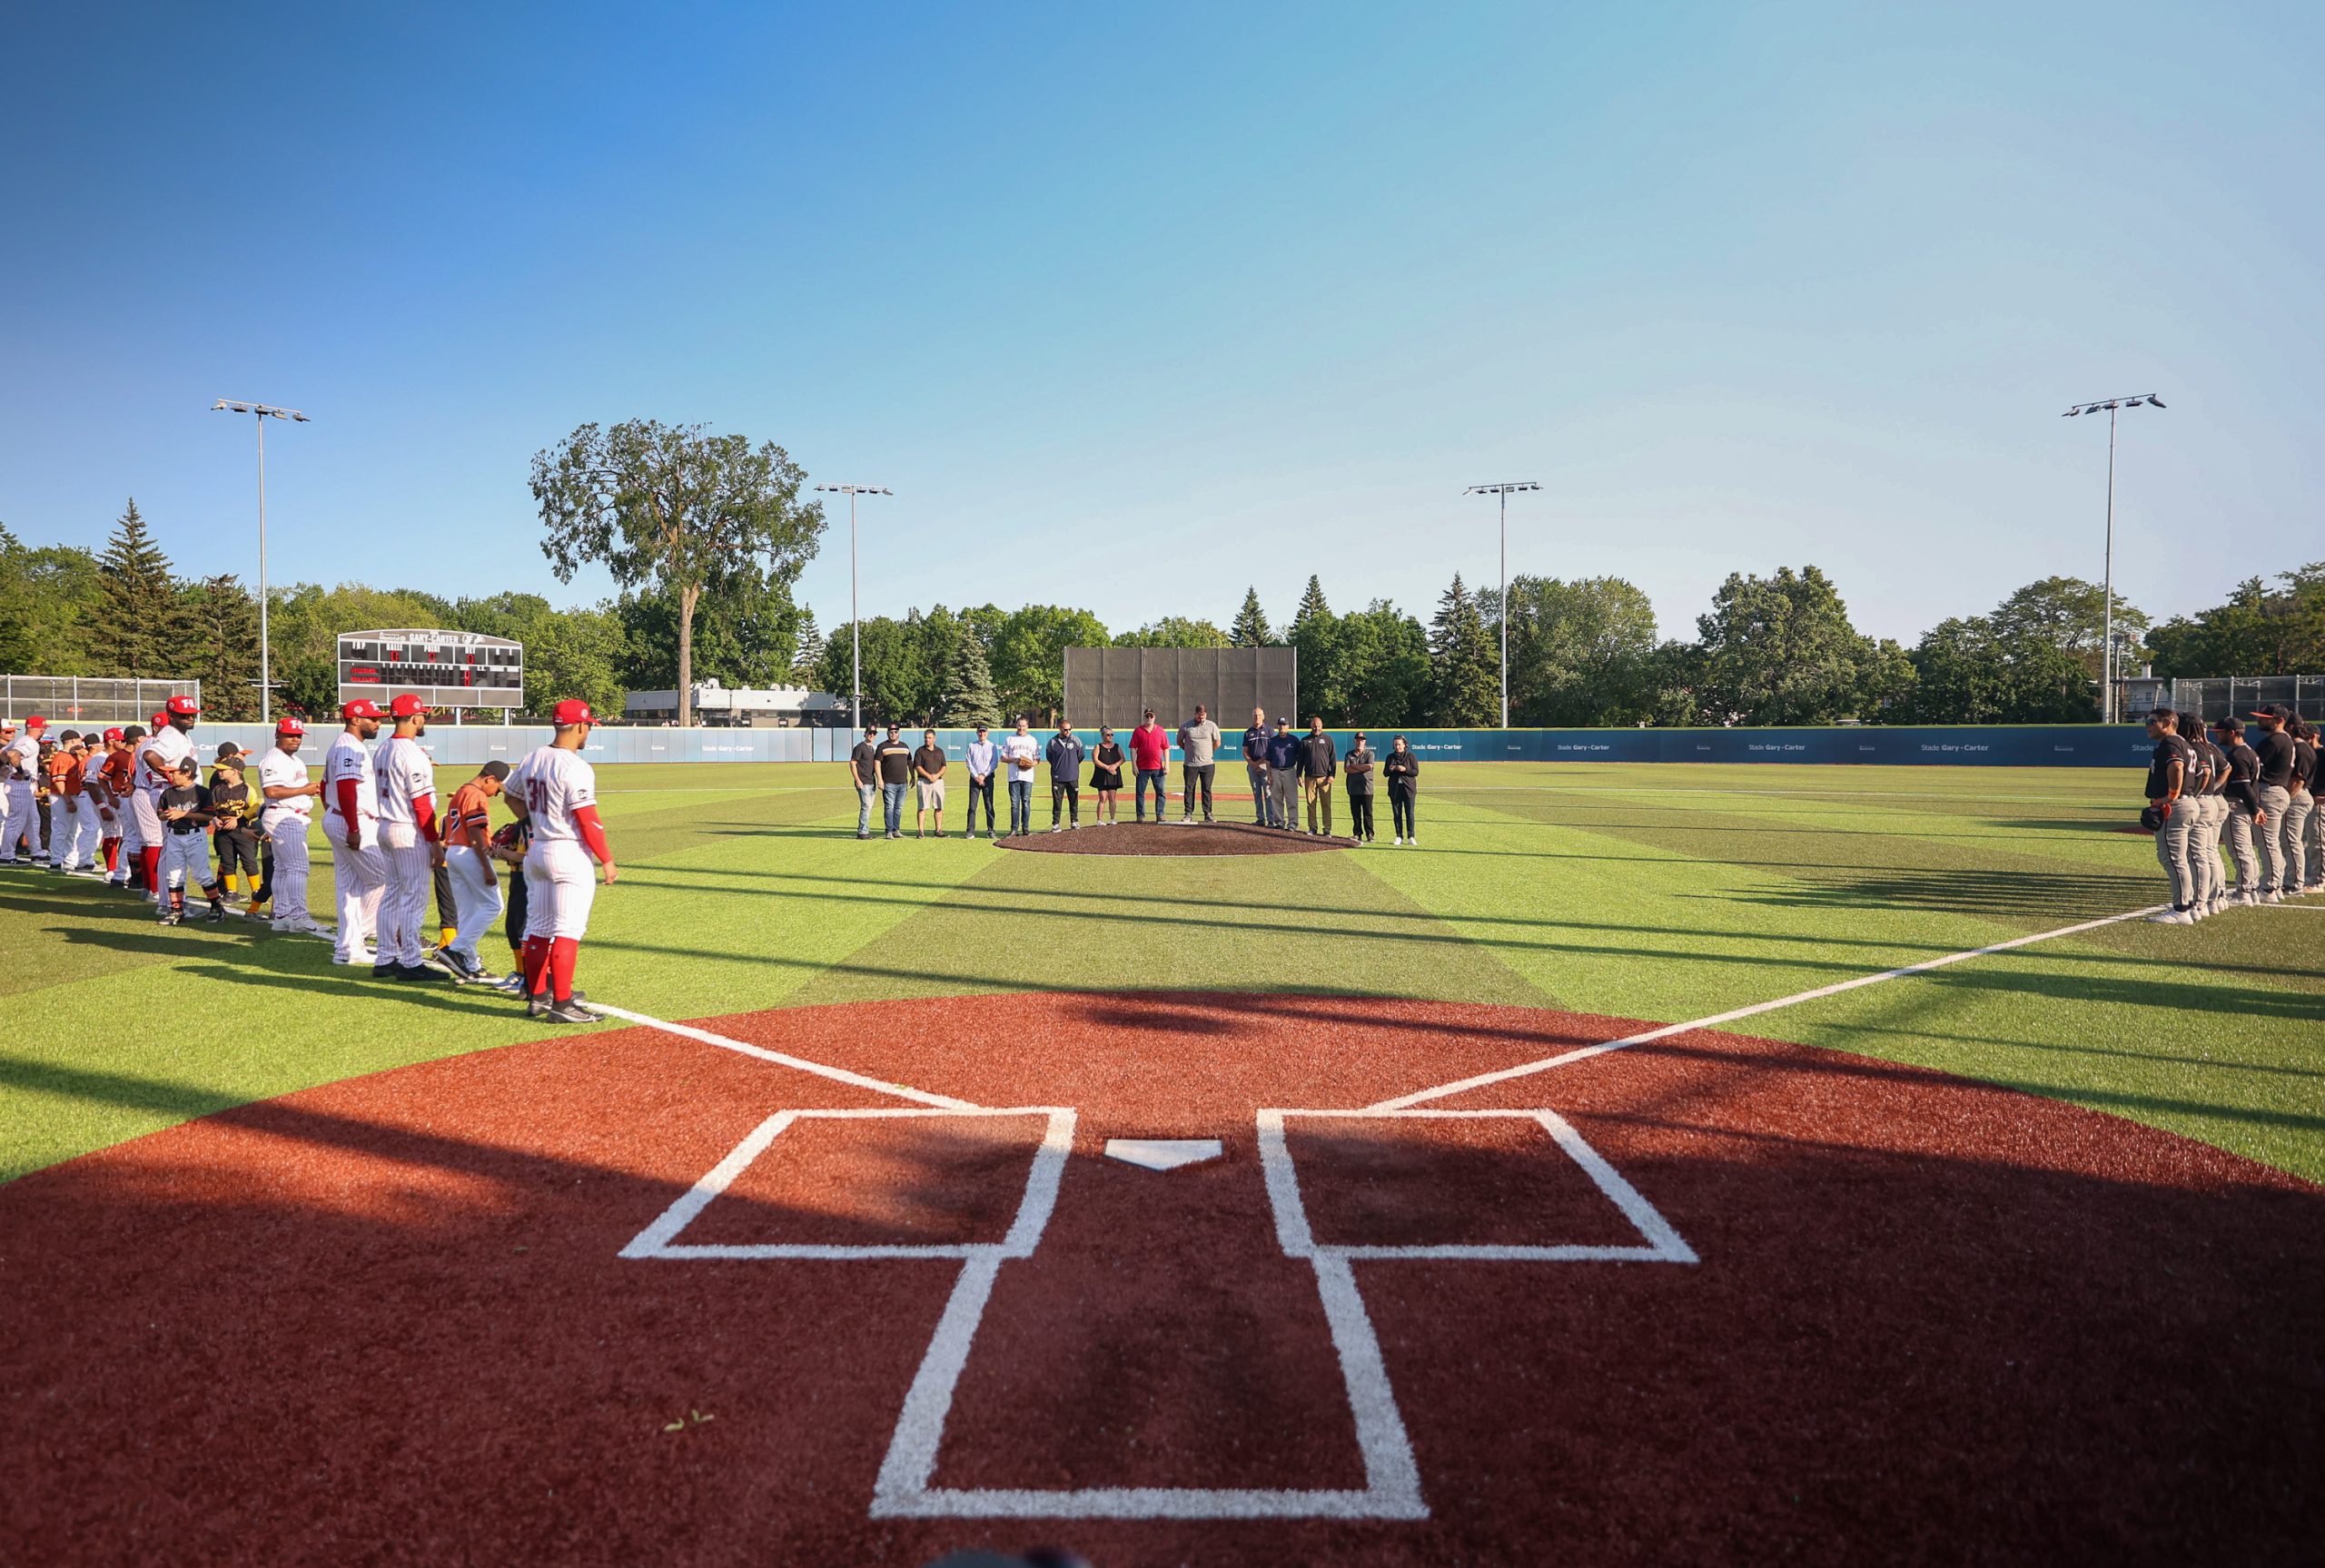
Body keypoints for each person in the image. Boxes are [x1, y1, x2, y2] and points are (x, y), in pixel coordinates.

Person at [507, 698, 617, 1022]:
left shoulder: (533, 757)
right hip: (567, 851)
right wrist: (607, 859)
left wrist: (530, 822)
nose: (589, 732)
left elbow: (510, 794)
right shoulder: (576, 766)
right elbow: (587, 818)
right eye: (588, 727)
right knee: (567, 930)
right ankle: (563, 1003)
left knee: (539, 928)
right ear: (580, 726)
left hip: (538, 850)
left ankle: (538, 995)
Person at [371, 694, 442, 980]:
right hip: (407, 829)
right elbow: (422, 804)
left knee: (392, 895)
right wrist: (434, 842)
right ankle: (411, 962)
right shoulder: (412, 753)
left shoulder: (382, 748)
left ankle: (386, 958)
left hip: (385, 825)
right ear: (415, 718)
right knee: (413, 897)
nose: (424, 719)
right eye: (422, 715)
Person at [322, 698, 386, 966]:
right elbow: (346, 787)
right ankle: (360, 936)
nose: (378, 723)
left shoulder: (344, 745)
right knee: (383, 878)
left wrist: (335, 814)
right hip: (353, 821)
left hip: (340, 817)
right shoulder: (349, 746)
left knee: (349, 888)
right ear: (355, 720)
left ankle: (346, 948)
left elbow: (326, 786)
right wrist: (353, 827)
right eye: (373, 718)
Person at [440, 761, 511, 981]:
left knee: (467, 913)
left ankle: (470, 965)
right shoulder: (476, 794)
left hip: (453, 853)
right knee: (494, 905)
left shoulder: (461, 791)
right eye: (497, 788)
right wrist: (485, 867)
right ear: (490, 779)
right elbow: (475, 833)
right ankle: (454, 950)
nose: (496, 794)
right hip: (469, 853)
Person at [256, 717, 327, 933]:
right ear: (278, 735)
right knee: (298, 867)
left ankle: (282, 915)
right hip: (283, 816)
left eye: (298, 736)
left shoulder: (294, 760)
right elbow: (272, 791)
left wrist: (306, 789)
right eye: (290, 735)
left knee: (283, 868)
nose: (295, 739)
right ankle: (299, 917)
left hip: (292, 815)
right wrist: (304, 790)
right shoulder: (272, 760)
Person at [134, 697, 201, 901]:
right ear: (171, 716)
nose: (190, 718)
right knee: (173, 849)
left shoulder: (179, 734)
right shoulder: (171, 735)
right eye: (184, 715)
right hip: (170, 792)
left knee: (171, 848)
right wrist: (171, 777)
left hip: (171, 791)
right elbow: (151, 755)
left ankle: (168, 900)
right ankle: (170, 902)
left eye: (192, 714)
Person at [155, 757, 229, 924]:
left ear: (187, 773)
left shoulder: (201, 792)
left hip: (195, 835)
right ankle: (176, 910)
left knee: (201, 874)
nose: (170, 775)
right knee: (173, 876)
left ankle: (216, 906)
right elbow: (160, 814)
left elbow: (208, 815)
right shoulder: (168, 793)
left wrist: (183, 814)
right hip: (174, 836)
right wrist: (166, 814)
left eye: (174, 772)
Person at [2143, 707, 2198, 923]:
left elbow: (2176, 767)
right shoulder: (2184, 744)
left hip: (2177, 806)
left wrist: (2171, 795)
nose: (2147, 725)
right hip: (2187, 802)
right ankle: (2189, 905)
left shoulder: (2171, 743)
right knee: (2180, 858)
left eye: (2152, 721)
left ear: (2167, 723)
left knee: (2173, 859)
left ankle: (2181, 910)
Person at [204, 746, 264, 909]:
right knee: (227, 862)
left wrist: (238, 820)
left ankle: (257, 890)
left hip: (243, 832)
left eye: (223, 770)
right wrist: (215, 819)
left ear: (235, 771)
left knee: (249, 862)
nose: (219, 773)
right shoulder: (218, 790)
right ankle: (231, 891)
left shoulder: (247, 790)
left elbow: (256, 808)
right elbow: (211, 810)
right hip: (223, 832)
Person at [2249, 704, 2298, 902]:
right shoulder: (2284, 739)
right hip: (2276, 790)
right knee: (2271, 842)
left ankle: (2270, 887)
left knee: (2267, 843)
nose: (2259, 720)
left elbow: (2254, 769)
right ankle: (2274, 885)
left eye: (2264, 717)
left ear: (2278, 720)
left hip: (2270, 791)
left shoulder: (2275, 740)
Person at [2213, 716, 2263, 907]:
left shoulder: (2237, 755)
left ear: (2231, 733)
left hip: (2237, 805)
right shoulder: (2249, 751)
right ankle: (2251, 889)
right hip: (2244, 805)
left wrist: (2254, 809)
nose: (2218, 736)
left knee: (2239, 851)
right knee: (2247, 851)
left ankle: (2244, 892)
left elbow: (2244, 786)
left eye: (2220, 732)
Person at [2186, 714, 2231, 918]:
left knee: (2198, 855)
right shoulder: (2211, 746)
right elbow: (2227, 768)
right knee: (2210, 851)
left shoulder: (2194, 747)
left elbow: (2204, 772)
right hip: (2214, 800)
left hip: (2204, 801)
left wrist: (2197, 794)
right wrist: (2215, 789)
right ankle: (2217, 897)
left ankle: (2201, 902)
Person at [0, 715, 43, 864]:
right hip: (20, 783)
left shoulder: (21, 740)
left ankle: (37, 851)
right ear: (41, 728)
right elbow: (12, 754)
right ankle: (6, 855)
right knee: (16, 820)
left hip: (22, 783)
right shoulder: (30, 742)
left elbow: (4, 753)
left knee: (33, 820)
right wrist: (19, 770)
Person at [2285, 717, 2317, 895]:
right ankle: (2290, 879)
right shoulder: (2301, 747)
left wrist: (2286, 800)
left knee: (2291, 841)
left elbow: (2298, 780)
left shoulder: (2301, 748)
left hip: (2297, 795)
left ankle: (2295, 882)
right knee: (2290, 841)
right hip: (2299, 795)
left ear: (2290, 727)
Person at [1175, 704, 1221, 823]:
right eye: (1200, 717)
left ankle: (1208, 814)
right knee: (1189, 789)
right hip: (1190, 764)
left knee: (1207, 789)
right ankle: (1188, 813)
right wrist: (1189, 750)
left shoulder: (1211, 726)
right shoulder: (1186, 726)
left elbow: (1218, 742)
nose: (1202, 719)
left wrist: (1209, 752)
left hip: (1207, 764)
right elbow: (1179, 741)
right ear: (1195, 714)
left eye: (1204, 717)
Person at [1295, 718, 1338, 836]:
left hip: (1324, 778)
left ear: (1322, 726)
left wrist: (1332, 775)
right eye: (1314, 726)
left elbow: (1333, 759)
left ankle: (1327, 828)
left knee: (1326, 804)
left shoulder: (1328, 739)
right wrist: (1299, 775)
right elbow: (1300, 761)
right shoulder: (1304, 740)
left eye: (1318, 726)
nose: (1316, 728)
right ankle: (1312, 827)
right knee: (1311, 804)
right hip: (1309, 777)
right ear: (1311, 726)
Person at [1129, 709, 1171, 823]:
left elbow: (1166, 748)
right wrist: (1134, 765)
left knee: (1161, 792)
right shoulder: (1138, 731)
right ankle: (1140, 815)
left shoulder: (1160, 730)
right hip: (1142, 768)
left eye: (1151, 716)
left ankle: (1160, 814)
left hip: (1158, 768)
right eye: (1147, 716)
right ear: (1144, 717)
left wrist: (1167, 764)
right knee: (1140, 792)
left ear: (1154, 717)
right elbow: (1133, 748)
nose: (1149, 718)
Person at [875, 723, 914, 840]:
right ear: (888, 733)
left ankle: (896, 830)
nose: (893, 734)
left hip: (902, 783)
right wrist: (880, 779)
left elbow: (910, 763)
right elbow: (877, 763)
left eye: (895, 732)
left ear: (898, 733)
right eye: (891, 732)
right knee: (889, 807)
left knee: (898, 807)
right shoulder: (882, 746)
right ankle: (889, 831)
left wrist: (913, 776)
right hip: (889, 783)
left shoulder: (905, 747)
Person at [1003, 717, 1041, 836]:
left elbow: (1037, 758)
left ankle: (1025, 829)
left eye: (1023, 726)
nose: (1021, 728)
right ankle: (1014, 829)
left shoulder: (1032, 740)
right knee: (1014, 804)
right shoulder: (1010, 739)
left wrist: (1030, 764)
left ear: (1027, 727)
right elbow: (1003, 757)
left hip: (1028, 776)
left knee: (1026, 802)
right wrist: (1015, 760)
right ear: (1016, 726)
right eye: (1019, 725)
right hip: (1013, 777)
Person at [1046, 721, 1085, 832]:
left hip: (1073, 776)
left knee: (1074, 800)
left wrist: (1072, 766)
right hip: (1058, 777)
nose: (1068, 731)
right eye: (1065, 729)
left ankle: (1074, 821)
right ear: (1059, 728)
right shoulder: (1053, 742)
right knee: (1057, 801)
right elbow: (1050, 757)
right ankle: (1056, 823)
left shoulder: (1076, 740)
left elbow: (1081, 756)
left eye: (1069, 729)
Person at [1264, 718, 1301, 833]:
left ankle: (1293, 823)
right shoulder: (1272, 741)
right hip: (1275, 771)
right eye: (1280, 724)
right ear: (1277, 726)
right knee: (1276, 798)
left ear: (1288, 726)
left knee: (1292, 799)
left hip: (1289, 771)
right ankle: (1279, 822)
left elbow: (1300, 758)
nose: (1282, 727)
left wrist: (1299, 774)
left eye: (1284, 725)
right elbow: (1268, 759)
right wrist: (1269, 774)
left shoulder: (1294, 740)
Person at [963, 724, 998, 840]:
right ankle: (970, 831)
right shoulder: (972, 746)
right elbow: (969, 762)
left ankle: (991, 830)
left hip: (988, 778)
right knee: (972, 806)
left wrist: (984, 775)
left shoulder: (992, 746)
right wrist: (976, 776)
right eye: (980, 732)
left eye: (984, 732)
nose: (982, 734)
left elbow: (994, 763)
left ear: (987, 733)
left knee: (989, 805)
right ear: (977, 732)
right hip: (974, 779)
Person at [1384, 735, 1420, 845]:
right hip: (1395, 789)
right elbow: (1385, 773)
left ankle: (1411, 836)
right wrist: (1390, 769)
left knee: (1410, 813)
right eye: (1395, 744)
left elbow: (1415, 772)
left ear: (1405, 745)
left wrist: (1405, 769)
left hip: (1408, 789)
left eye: (1399, 744)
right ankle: (1399, 836)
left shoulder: (1411, 756)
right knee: (1396, 813)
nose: (1397, 746)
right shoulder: (1390, 757)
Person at [914, 729, 949, 838]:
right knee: (922, 807)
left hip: (938, 781)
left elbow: (944, 766)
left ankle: (938, 830)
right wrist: (929, 776)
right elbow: (918, 766)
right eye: (925, 737)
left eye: (929, 738)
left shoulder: (939, 751)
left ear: (934, 739)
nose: (927, 740)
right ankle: (921, 831)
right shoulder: (920, 751)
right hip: (924, 782)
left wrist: (937, 775)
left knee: (939, 806)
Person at [1343, 731, 1377, 844]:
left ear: (1365, 741)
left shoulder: (1370, 754)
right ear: (1354, 741)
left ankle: (1370, 833)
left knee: (1368, 812)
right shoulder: (1349, 754)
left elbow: (1369, 766)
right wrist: (1360, 768)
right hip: (1353, 787)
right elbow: (1347, 769)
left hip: (1366, 787)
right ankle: (1357, 833)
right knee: (1355, 812)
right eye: (1358, 740)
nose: (1359, 742)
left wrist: (1355, 767)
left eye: (1362, 740)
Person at [848, 725, 881, 840]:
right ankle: (862, 831)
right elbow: (852, 763)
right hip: (863, 782)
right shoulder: (860, 747)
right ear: (865, 734)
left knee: (869, 807)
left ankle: (865, 829)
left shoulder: (874, 748)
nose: (872, 735)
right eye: (870, 733)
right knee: (866, 806)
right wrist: (857, 780)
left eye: (874, 733)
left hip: (872, 782)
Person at [1242, 706, 1273, 826]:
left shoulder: (1270, 730)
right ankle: (1260, 818)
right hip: (1252, 767)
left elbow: (1271, 750)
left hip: (1266, 766)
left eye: (1259, 715)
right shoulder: (1248, 732)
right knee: (1257, 793)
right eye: (1255, 715)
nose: (1257, 717)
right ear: (1252, 717)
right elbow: (1245, 751)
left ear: (1263, 717)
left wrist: (1259, 762)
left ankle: (1271, 819)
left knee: (1268, 792)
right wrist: (1253, 763)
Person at [1089, 725, 1124, 825]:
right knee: (1103, 798)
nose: (1110, 736)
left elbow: (1123, 759)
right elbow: (1096, 760)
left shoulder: (1117, 746)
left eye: (1112, 735)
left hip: (1114, 774)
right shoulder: (1098, 747)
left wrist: (1115, 766)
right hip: (1102, 775)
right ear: (1103, 735)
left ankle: (1112, 819)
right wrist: (1107, 767)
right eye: (1108, 735)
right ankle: (1099, 820)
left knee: (1112, 798)